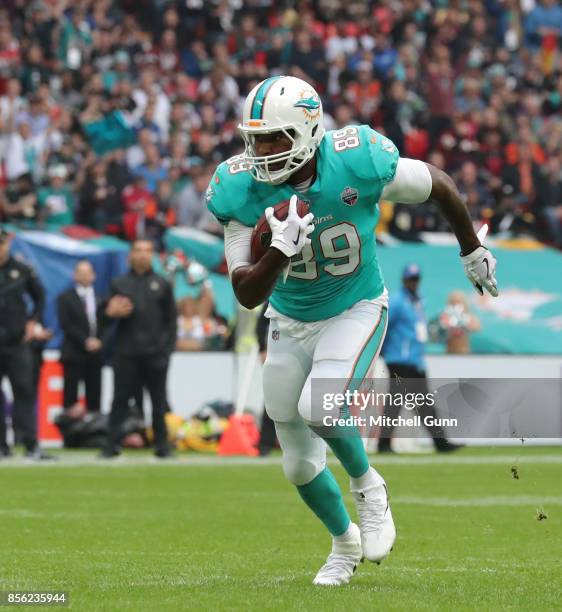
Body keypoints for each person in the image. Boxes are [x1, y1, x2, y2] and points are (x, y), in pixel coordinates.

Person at [206, 76, 499, 586]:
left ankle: (369, 487)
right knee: (296, 463)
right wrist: (279, 250)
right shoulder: (238, 187)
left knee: (319, 406)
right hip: (289, 320)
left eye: (275, 137)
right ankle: (344, 544)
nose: (263, 150)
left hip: (355, 307)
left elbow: (438, 184)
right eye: (256, 138)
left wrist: (470, 248)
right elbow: (247, 293)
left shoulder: (356, 158)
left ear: (308, 130)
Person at [101, 239, 176, 458]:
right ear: (130, 256)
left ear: (152, 255)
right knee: (119, 400)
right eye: (139, 251)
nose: (143, 255)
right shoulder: (119, 283)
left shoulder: (162, 284)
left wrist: (166, 351)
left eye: (147, 251)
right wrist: (110, 313)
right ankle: (111, 445)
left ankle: (162, 445)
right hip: (126, 353)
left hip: (155, 354)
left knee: (159, 401)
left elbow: (171, 322)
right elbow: (104, 316)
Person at [379, 265, 466, 453]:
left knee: (418, 403)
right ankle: (386, 444)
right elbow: (384, 326)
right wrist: (382, 352)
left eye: (416, 279)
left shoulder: (418, 301)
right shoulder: (397, 301)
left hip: (415, 360)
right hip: (399, 359)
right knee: (402, 403)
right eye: (411, 279)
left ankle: (439, 443)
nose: (413, 282)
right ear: (404, 280)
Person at [0, 227, 53, 460]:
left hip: (17, 342)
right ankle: (2, 446)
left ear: (7, 243)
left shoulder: (22, 270)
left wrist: (34, 322)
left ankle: (31, 444)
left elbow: (40, 297)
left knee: (24, 392)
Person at [57, 260, 104, 413]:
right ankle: (70, 433)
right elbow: (66, 324)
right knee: (70, 397)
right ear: (75, 276)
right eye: (80, 272)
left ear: (94, 276)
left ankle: (94, 433)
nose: (84, 276)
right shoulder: (65, 298)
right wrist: (85, 341)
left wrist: (99, 341)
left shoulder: (101, 298)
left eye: (87, 272)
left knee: (94, 396)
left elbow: (105, 323)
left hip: (95, 355)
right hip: (73, 353)